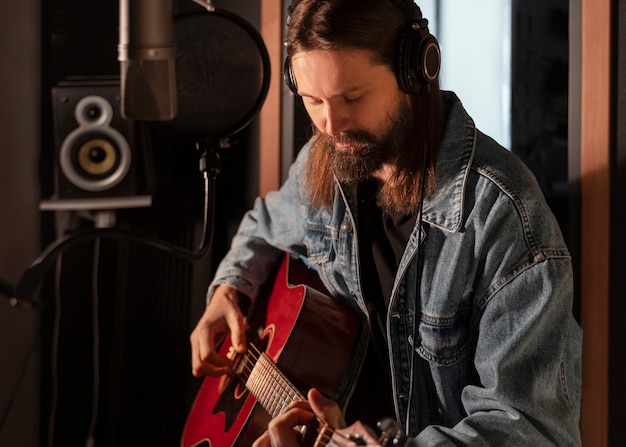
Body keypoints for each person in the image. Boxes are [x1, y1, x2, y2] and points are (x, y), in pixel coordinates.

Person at [189, 0, 583, 445]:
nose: (330, 125)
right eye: (311, 100)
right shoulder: (321, 164)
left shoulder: (502, 215)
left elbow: (532, 428)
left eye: (352, 97)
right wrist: (229, 288)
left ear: (416, 72)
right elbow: (263, 224)